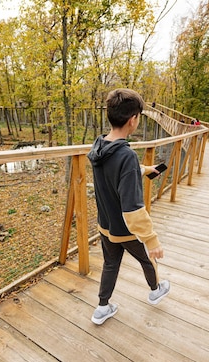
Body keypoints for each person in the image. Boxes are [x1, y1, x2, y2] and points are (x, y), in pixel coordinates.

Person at [87, 88, 170, 325]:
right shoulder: (126, 155)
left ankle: (102, 307)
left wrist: (144, 169)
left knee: (110, 263)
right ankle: (156, 290)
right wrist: (151, 240)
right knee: (147, 259)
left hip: (106, 226)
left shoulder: (99, 147)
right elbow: (133, 209)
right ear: (133, 120)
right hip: (126, 229)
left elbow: (115, 173)